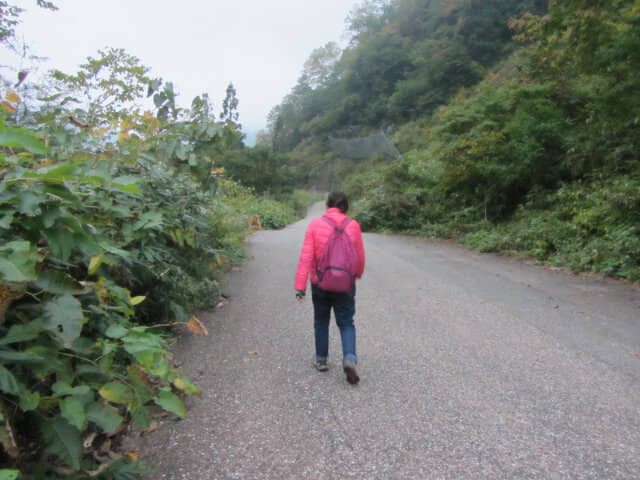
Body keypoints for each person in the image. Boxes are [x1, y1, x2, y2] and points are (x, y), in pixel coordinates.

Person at [294, 191, 365, 384]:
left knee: (321, 320)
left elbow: (306, 257)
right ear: (346, 206)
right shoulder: (353, 226)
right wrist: (356, 275)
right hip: (345, 284)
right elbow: (359, 256)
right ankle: (349, 357)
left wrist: (300, 286)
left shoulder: (315, 225)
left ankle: (321, 360)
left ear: (327, 205)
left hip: (320, 282)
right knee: (347, 322)